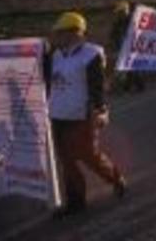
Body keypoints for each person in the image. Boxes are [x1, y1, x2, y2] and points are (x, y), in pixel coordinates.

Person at [47, 12, 127, 218]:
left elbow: (97, 87)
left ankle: (116, 178)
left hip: (81, 116)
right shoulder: (55, 55)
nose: (56, 37)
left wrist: (101, 110)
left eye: (61, 33)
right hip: (57, 114)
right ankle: (75, 202)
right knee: (66, 160)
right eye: (57, 33)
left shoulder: (91, 54)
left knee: (89, 156)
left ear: (76, 33)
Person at [109, 1, 144, 92]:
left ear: (126, 10)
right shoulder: (117, 23)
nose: (119, 14)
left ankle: (134, 86)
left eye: (121, 12)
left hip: (133, 47)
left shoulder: (133, 21)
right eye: (118, 13)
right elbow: (113, 35)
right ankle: (131, 86)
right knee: (128, 67)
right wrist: (114, 44)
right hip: (123, 48)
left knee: (133, 67)